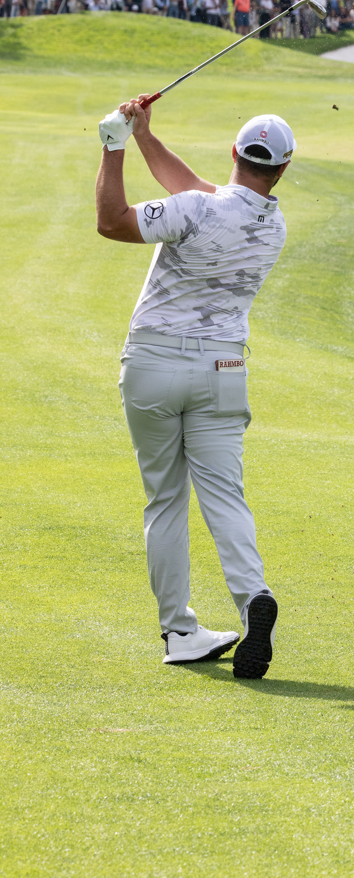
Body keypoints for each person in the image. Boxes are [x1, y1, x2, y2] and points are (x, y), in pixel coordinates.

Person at [95, 99, 294, 676]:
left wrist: (113, 146)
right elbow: (203, 193)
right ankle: (253, 596)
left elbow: (112, 221)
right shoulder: (271, 224)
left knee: (165, 499)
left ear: (234, 152)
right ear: (283, 168)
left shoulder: (195, 209)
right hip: (223, 371)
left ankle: (180, 631)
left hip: (155, 363)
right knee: (225, 495)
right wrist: (144, 136)